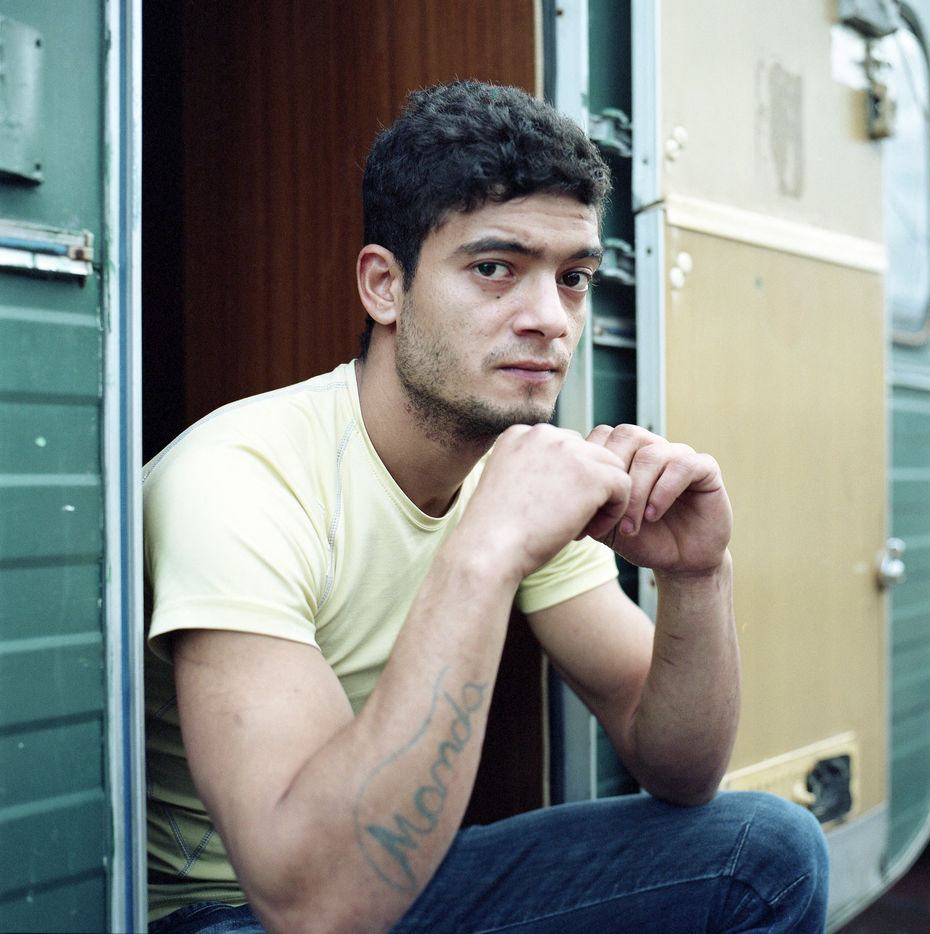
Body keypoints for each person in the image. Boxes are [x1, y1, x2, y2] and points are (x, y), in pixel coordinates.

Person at [144, 80, 829, 934]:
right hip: (232, 911)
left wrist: (698, 575)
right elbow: (315, 904)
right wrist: (487, 548)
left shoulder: (520, 471)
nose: (550, 319)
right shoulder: (239, 478)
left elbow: (681, 770)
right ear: (384, 286)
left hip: (401, 879)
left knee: (766, 854)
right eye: (495, 268)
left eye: (574, 278)